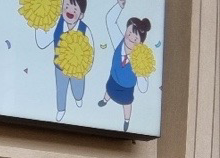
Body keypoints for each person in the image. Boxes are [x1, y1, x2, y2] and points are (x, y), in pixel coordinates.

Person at [33, 0, 94, 122]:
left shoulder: (85, 30)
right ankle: (61, 109)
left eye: (75, 9)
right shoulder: (56, 24)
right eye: (66, 6)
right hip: (59, 67)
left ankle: (78, 98)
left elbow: (91, 53)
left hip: (78, 70)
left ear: (81, 15)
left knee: (78, 90)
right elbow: (42, 42)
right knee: (61, 89)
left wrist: (85, 68)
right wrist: (38, 21)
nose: (70, 10)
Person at [95, 1, 152, 132]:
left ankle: (126, 121)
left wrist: (141, 72)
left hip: (127, 89)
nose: (131, 38)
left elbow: (143, 88)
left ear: (141, 42)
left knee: (127, 104)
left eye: (136, 38)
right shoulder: (118, 41)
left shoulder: (140, 59)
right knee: (108, 90)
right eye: (129, 33)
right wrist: (119, 5)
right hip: (113, 79)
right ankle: (105, 100)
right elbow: (110, 21)